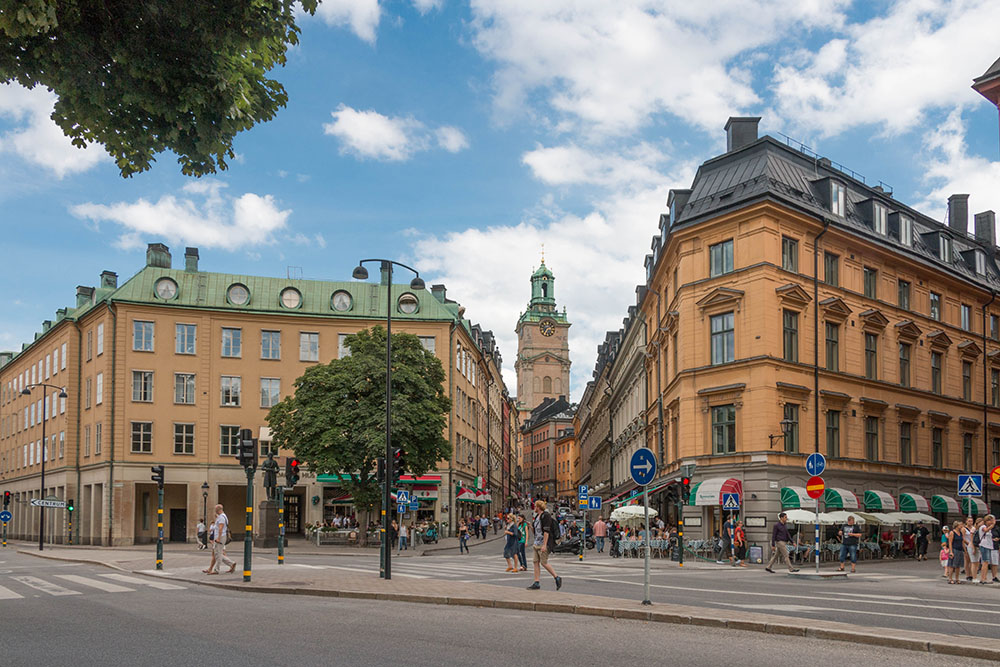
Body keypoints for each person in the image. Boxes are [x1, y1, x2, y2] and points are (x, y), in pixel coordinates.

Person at [526, 500, 562, 591]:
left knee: (543, 562)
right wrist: (531, 527)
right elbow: (536, 532)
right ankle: (536, 582)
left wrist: (545, 545)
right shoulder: (537, 517)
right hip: (536, 543)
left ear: (538, 507)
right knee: (535, 562)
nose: (534, 508)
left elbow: (546, 531)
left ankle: (557, 577)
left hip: (543, 543)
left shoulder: (546, 516)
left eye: (535, 506)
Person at [207, 504, 236, 575]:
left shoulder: (222, 518)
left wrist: (218, 538)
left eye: (215, 510)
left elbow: (221, 528)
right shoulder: (222, 517)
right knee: (217, 553)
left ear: (218, 510)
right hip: (220, 536)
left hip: (220, 537)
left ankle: (217, 570)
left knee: (218, 554)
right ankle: (231, 564)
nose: (215, 511)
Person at [978, 514, 998, 584]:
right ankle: (983, 578)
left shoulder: (989, 528)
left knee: (986, 562)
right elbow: (985, 530)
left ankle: (984, 577)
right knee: (985, 562)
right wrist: (992, 525)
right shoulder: (983, 527)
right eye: (990, 521)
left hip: (989, 546)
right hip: (984, 545)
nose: (991, 522)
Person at [964, 517, 980, 582]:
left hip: (972, 544)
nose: (970, 522)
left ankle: (971, 574)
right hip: (967, 544)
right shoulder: (964, 528)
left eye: (971, 521)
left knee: (972, 561)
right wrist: (968, 543)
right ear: (966, 521)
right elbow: (963, 538)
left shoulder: (974, 528)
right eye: (969, 521)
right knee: (967, 560)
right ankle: (968, 575)